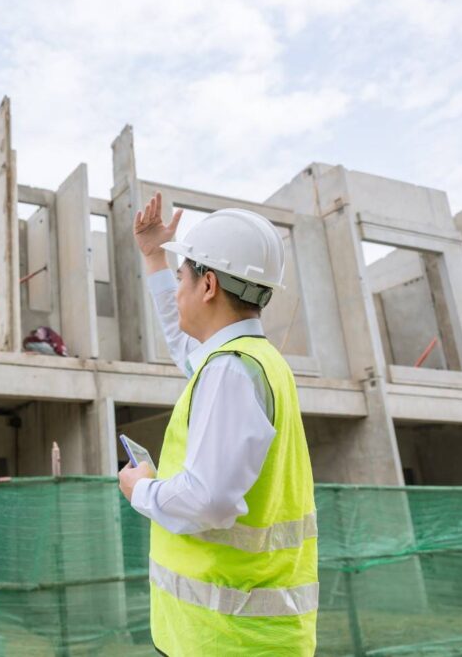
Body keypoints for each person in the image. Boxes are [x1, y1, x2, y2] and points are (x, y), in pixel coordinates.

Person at [118, 193, 317, 655]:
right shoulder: (252, 360)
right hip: (237, 637)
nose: (177, 292)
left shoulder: (229, 371)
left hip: (228, 640)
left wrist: (141, 489)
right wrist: (155, 258)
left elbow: (207, 502)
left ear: (207, 285)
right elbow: (182, 339)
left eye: (181, 278)